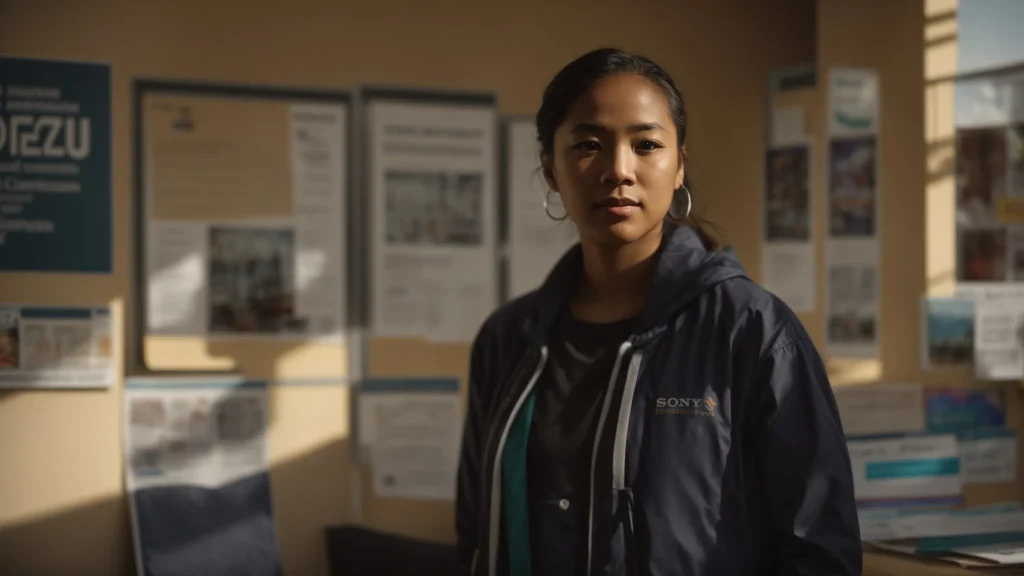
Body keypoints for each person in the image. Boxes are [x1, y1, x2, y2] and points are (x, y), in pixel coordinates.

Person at [455, 47, 862, 575]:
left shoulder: (751, 330)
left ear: (679, 168)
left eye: (646, 145)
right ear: (551, 170)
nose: (618, 170)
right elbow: (475, 531)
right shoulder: (509, 339)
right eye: (587, 146)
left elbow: (820, 549)